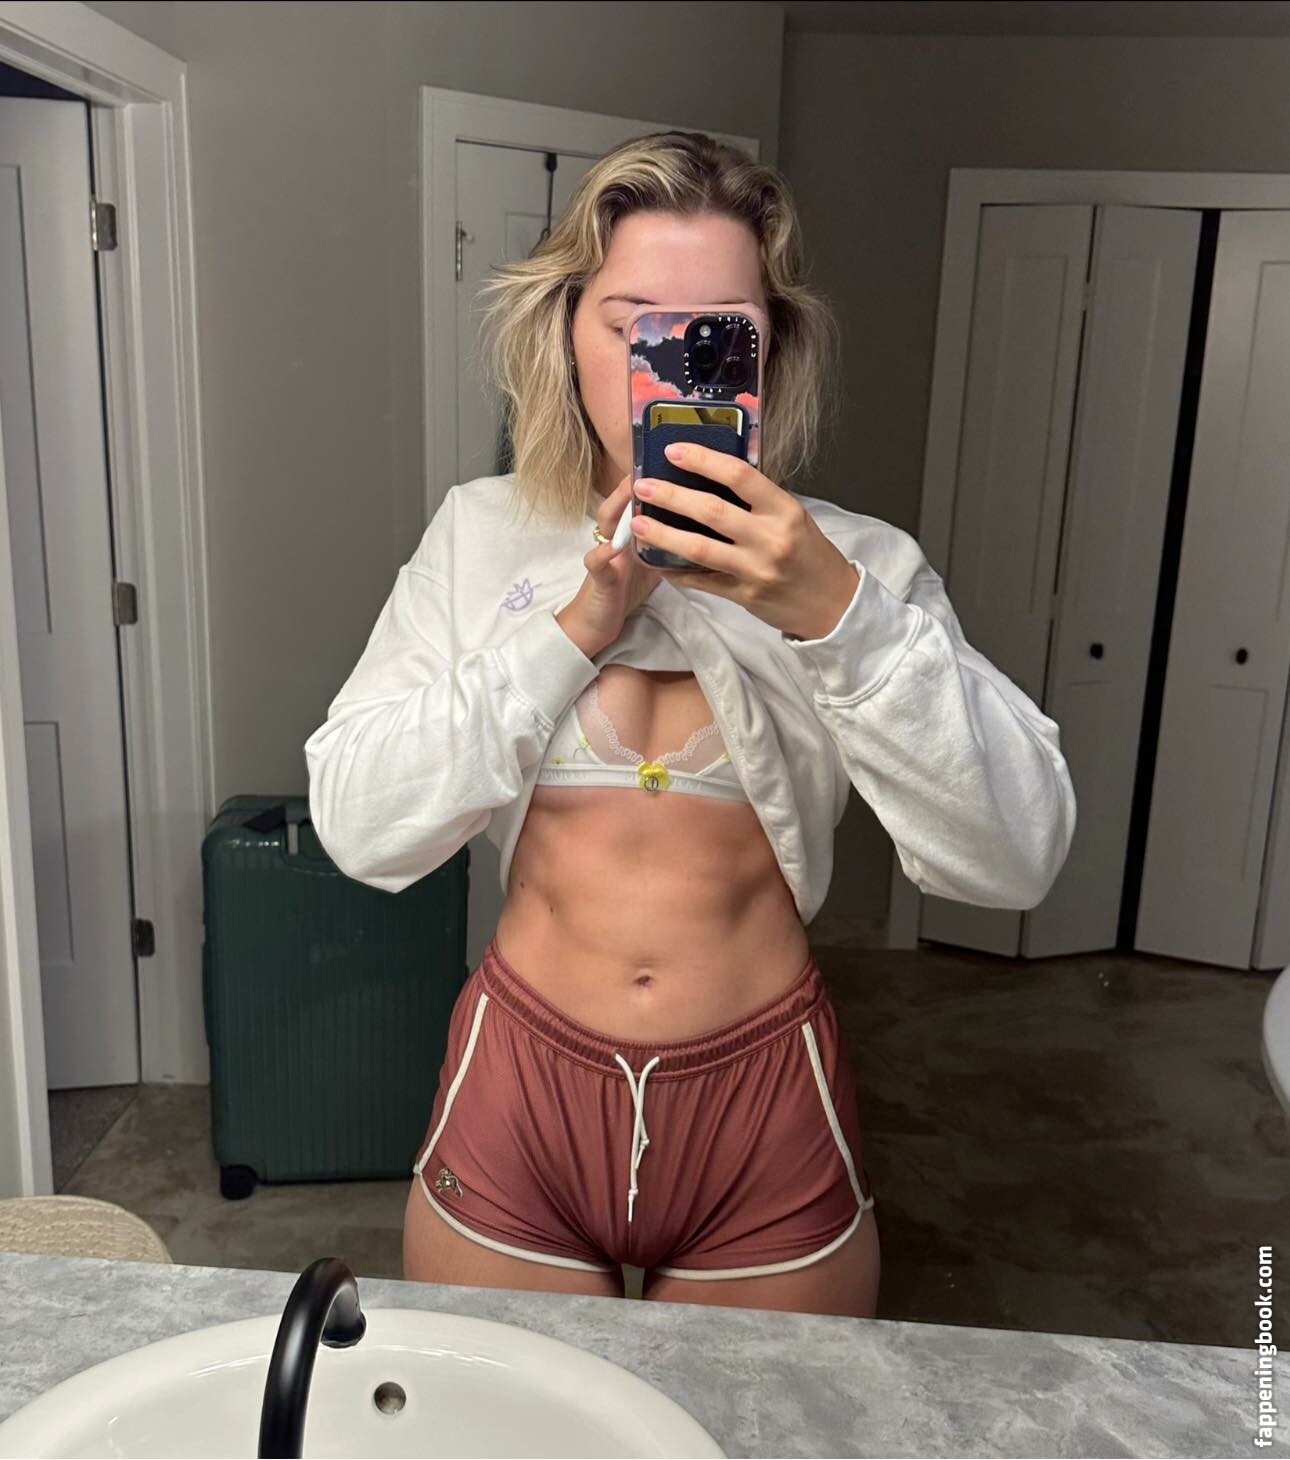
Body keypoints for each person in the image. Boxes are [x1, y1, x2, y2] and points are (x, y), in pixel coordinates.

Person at [304, 131, 1077, 1320]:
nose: (670, 367)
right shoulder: (479, 536)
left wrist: (835, 615)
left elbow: (1015, 856)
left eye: (720, 332)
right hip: (523, 1085)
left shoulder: (858, 566)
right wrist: (576, 627)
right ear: (567, 332)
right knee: (518, 1416)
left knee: (750, 1421)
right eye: (633, 324)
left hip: (758, 1098)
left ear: (774, 351)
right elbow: (362, 824)